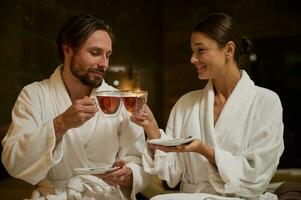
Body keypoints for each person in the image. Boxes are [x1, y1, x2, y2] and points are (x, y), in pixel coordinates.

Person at [131, 13, 284, 200]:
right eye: (192, 51)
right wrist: (152, 129)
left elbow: (256, 175)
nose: (192, 59)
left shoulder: (266, 102)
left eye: (200, 50)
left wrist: (204, 150)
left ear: (229, 50)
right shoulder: (186, 104)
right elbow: (172, 174)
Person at [1, 14, 149, 200]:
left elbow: (139, 162)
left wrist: (129, 175)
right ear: (68, 50)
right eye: (95, 53)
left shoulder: (117, 99)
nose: (104, 64)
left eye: (107, 55)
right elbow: (14, 163)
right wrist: (61, 123)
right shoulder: (34, 95)